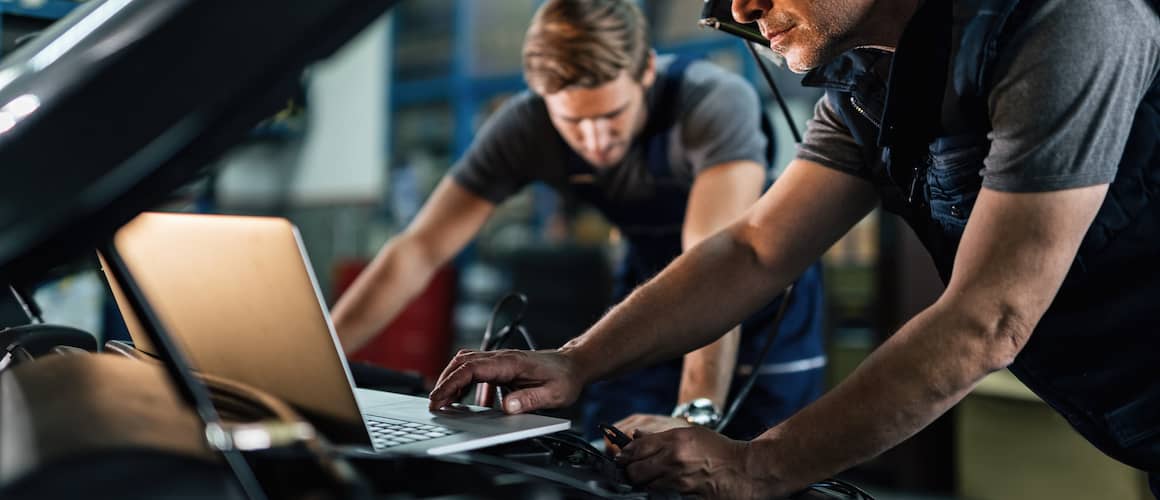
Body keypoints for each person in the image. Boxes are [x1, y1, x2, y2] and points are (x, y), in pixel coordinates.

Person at [429, 0, 1160, 496]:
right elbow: (755, 249)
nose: (739, 7)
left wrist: (758, 466)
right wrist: (576, 361)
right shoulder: (866, 89)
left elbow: (992, 314)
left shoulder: (1068, 22)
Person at [332, 0, 827, 441]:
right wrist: (320, 364)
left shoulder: (713, 102)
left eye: (611, 115)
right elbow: (418, 249)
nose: (594, 140)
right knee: (610, 447)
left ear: (646, 73)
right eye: (573, 122)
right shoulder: (525, 125)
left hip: (758, 294)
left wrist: (693, 416)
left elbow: (719, 264)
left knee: (755, 456)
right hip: (650, 286)